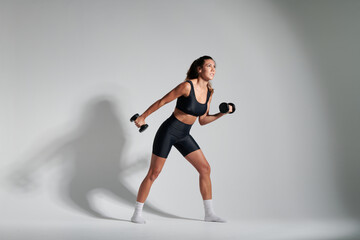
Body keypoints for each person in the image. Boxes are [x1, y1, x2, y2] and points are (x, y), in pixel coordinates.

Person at [130, 56, 233, 224]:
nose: (213, 69)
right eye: (209, 66)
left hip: (184, 135)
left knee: (205, 169)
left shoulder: (209, 92)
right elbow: (163, 101)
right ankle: (137, 213)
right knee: (154, 173)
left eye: (215, 66)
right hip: (169, 131)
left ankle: (209, 214)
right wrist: (143, 116)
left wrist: (222, 113)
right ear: (199, 69)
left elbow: (203, 120)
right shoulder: (186, 86)